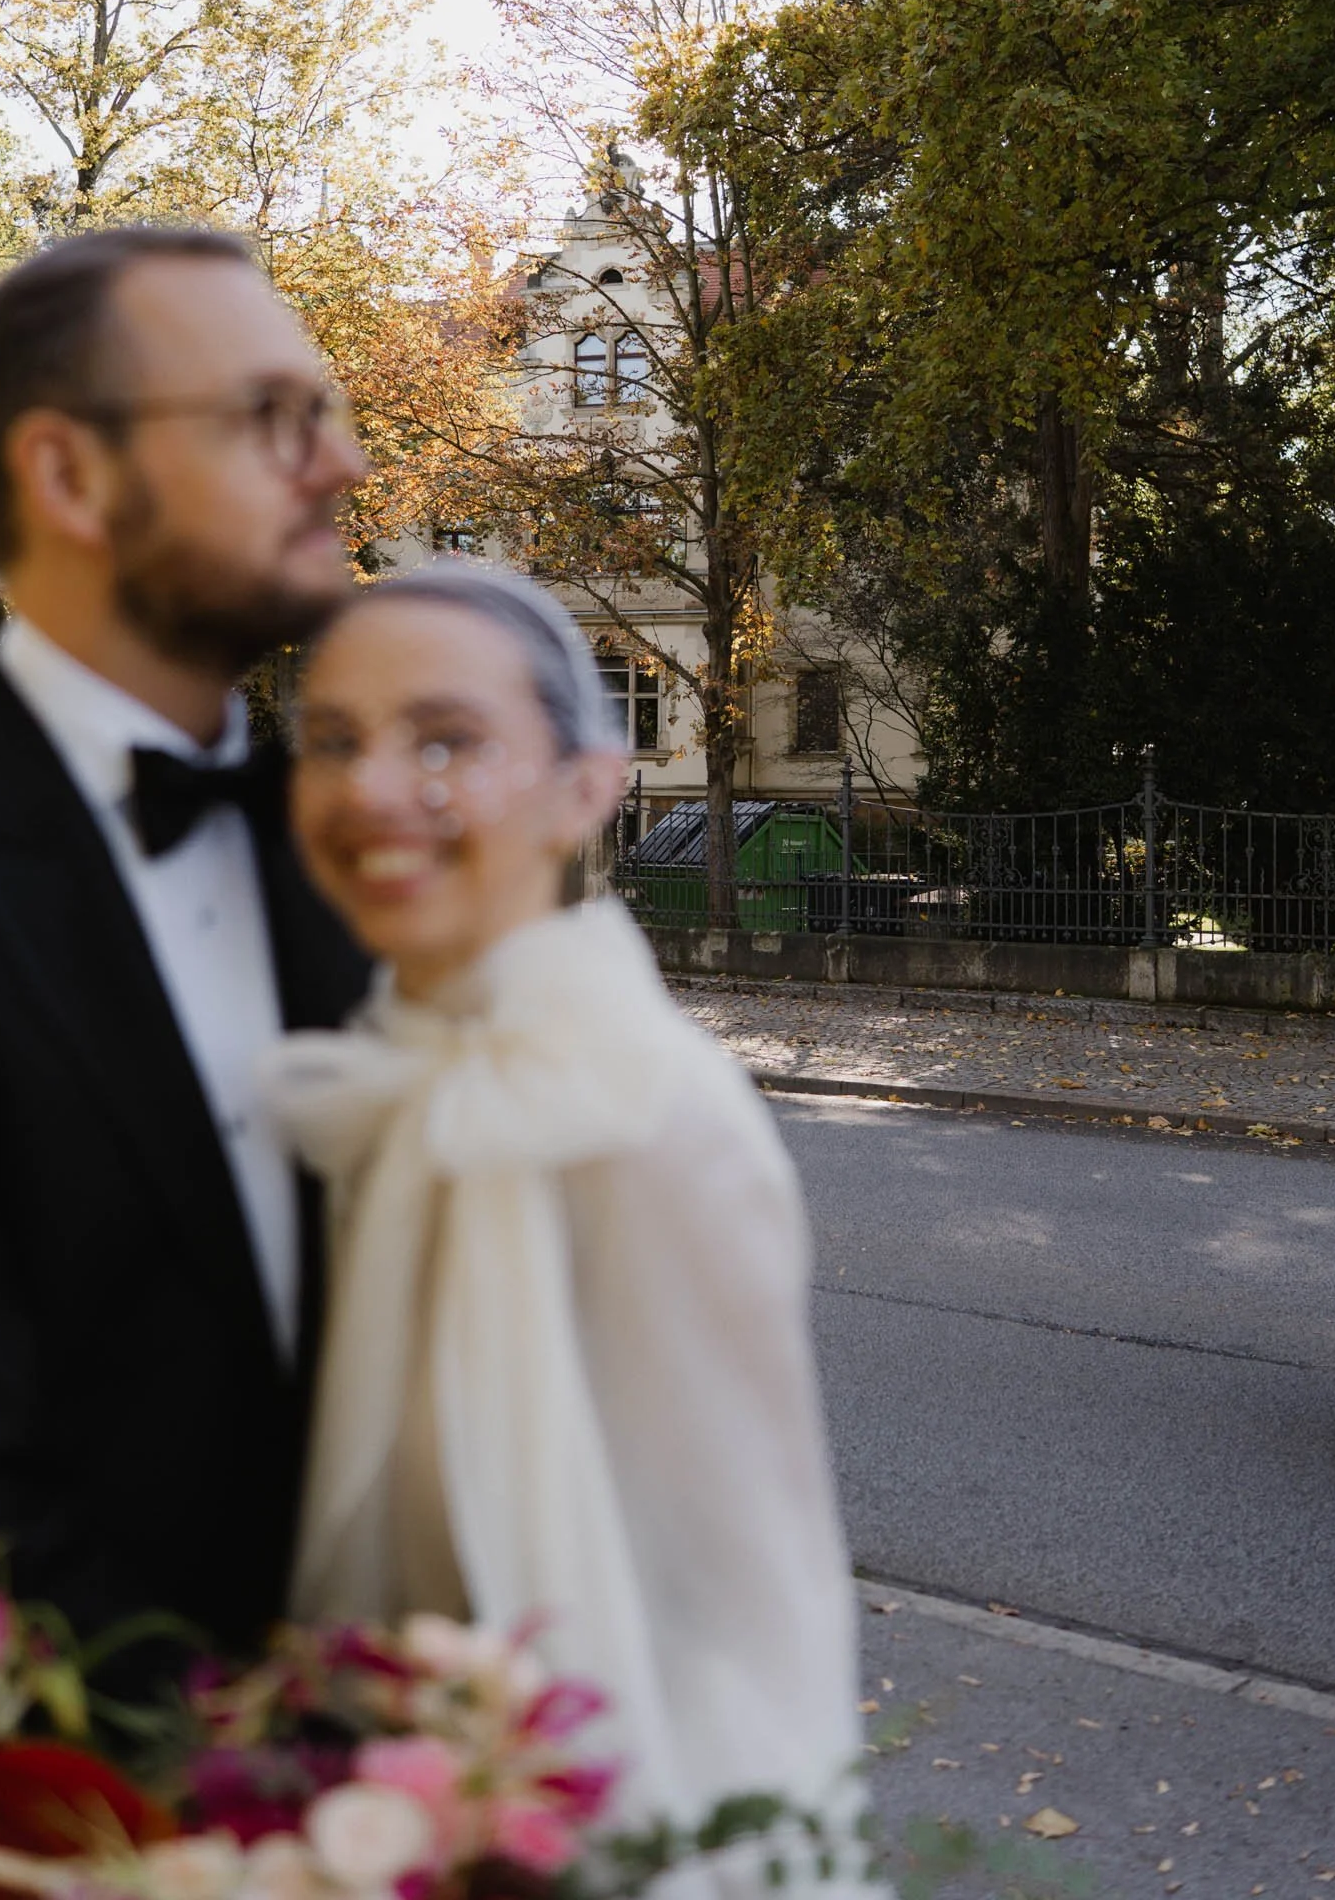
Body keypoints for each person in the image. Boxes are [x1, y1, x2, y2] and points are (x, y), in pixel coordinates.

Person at [0, 226, 370, 1891]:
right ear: (69, 474)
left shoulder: (358, 856)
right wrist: (287, 1797)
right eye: (270, 415)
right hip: (2, 1824)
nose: (338, 461)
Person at [266, 565, 869, 1868]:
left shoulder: (655, 1120)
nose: (374, 788)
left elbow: (745, 1610)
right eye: (333, 741)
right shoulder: (364, 1076)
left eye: (446, 739)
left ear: (587, 787)